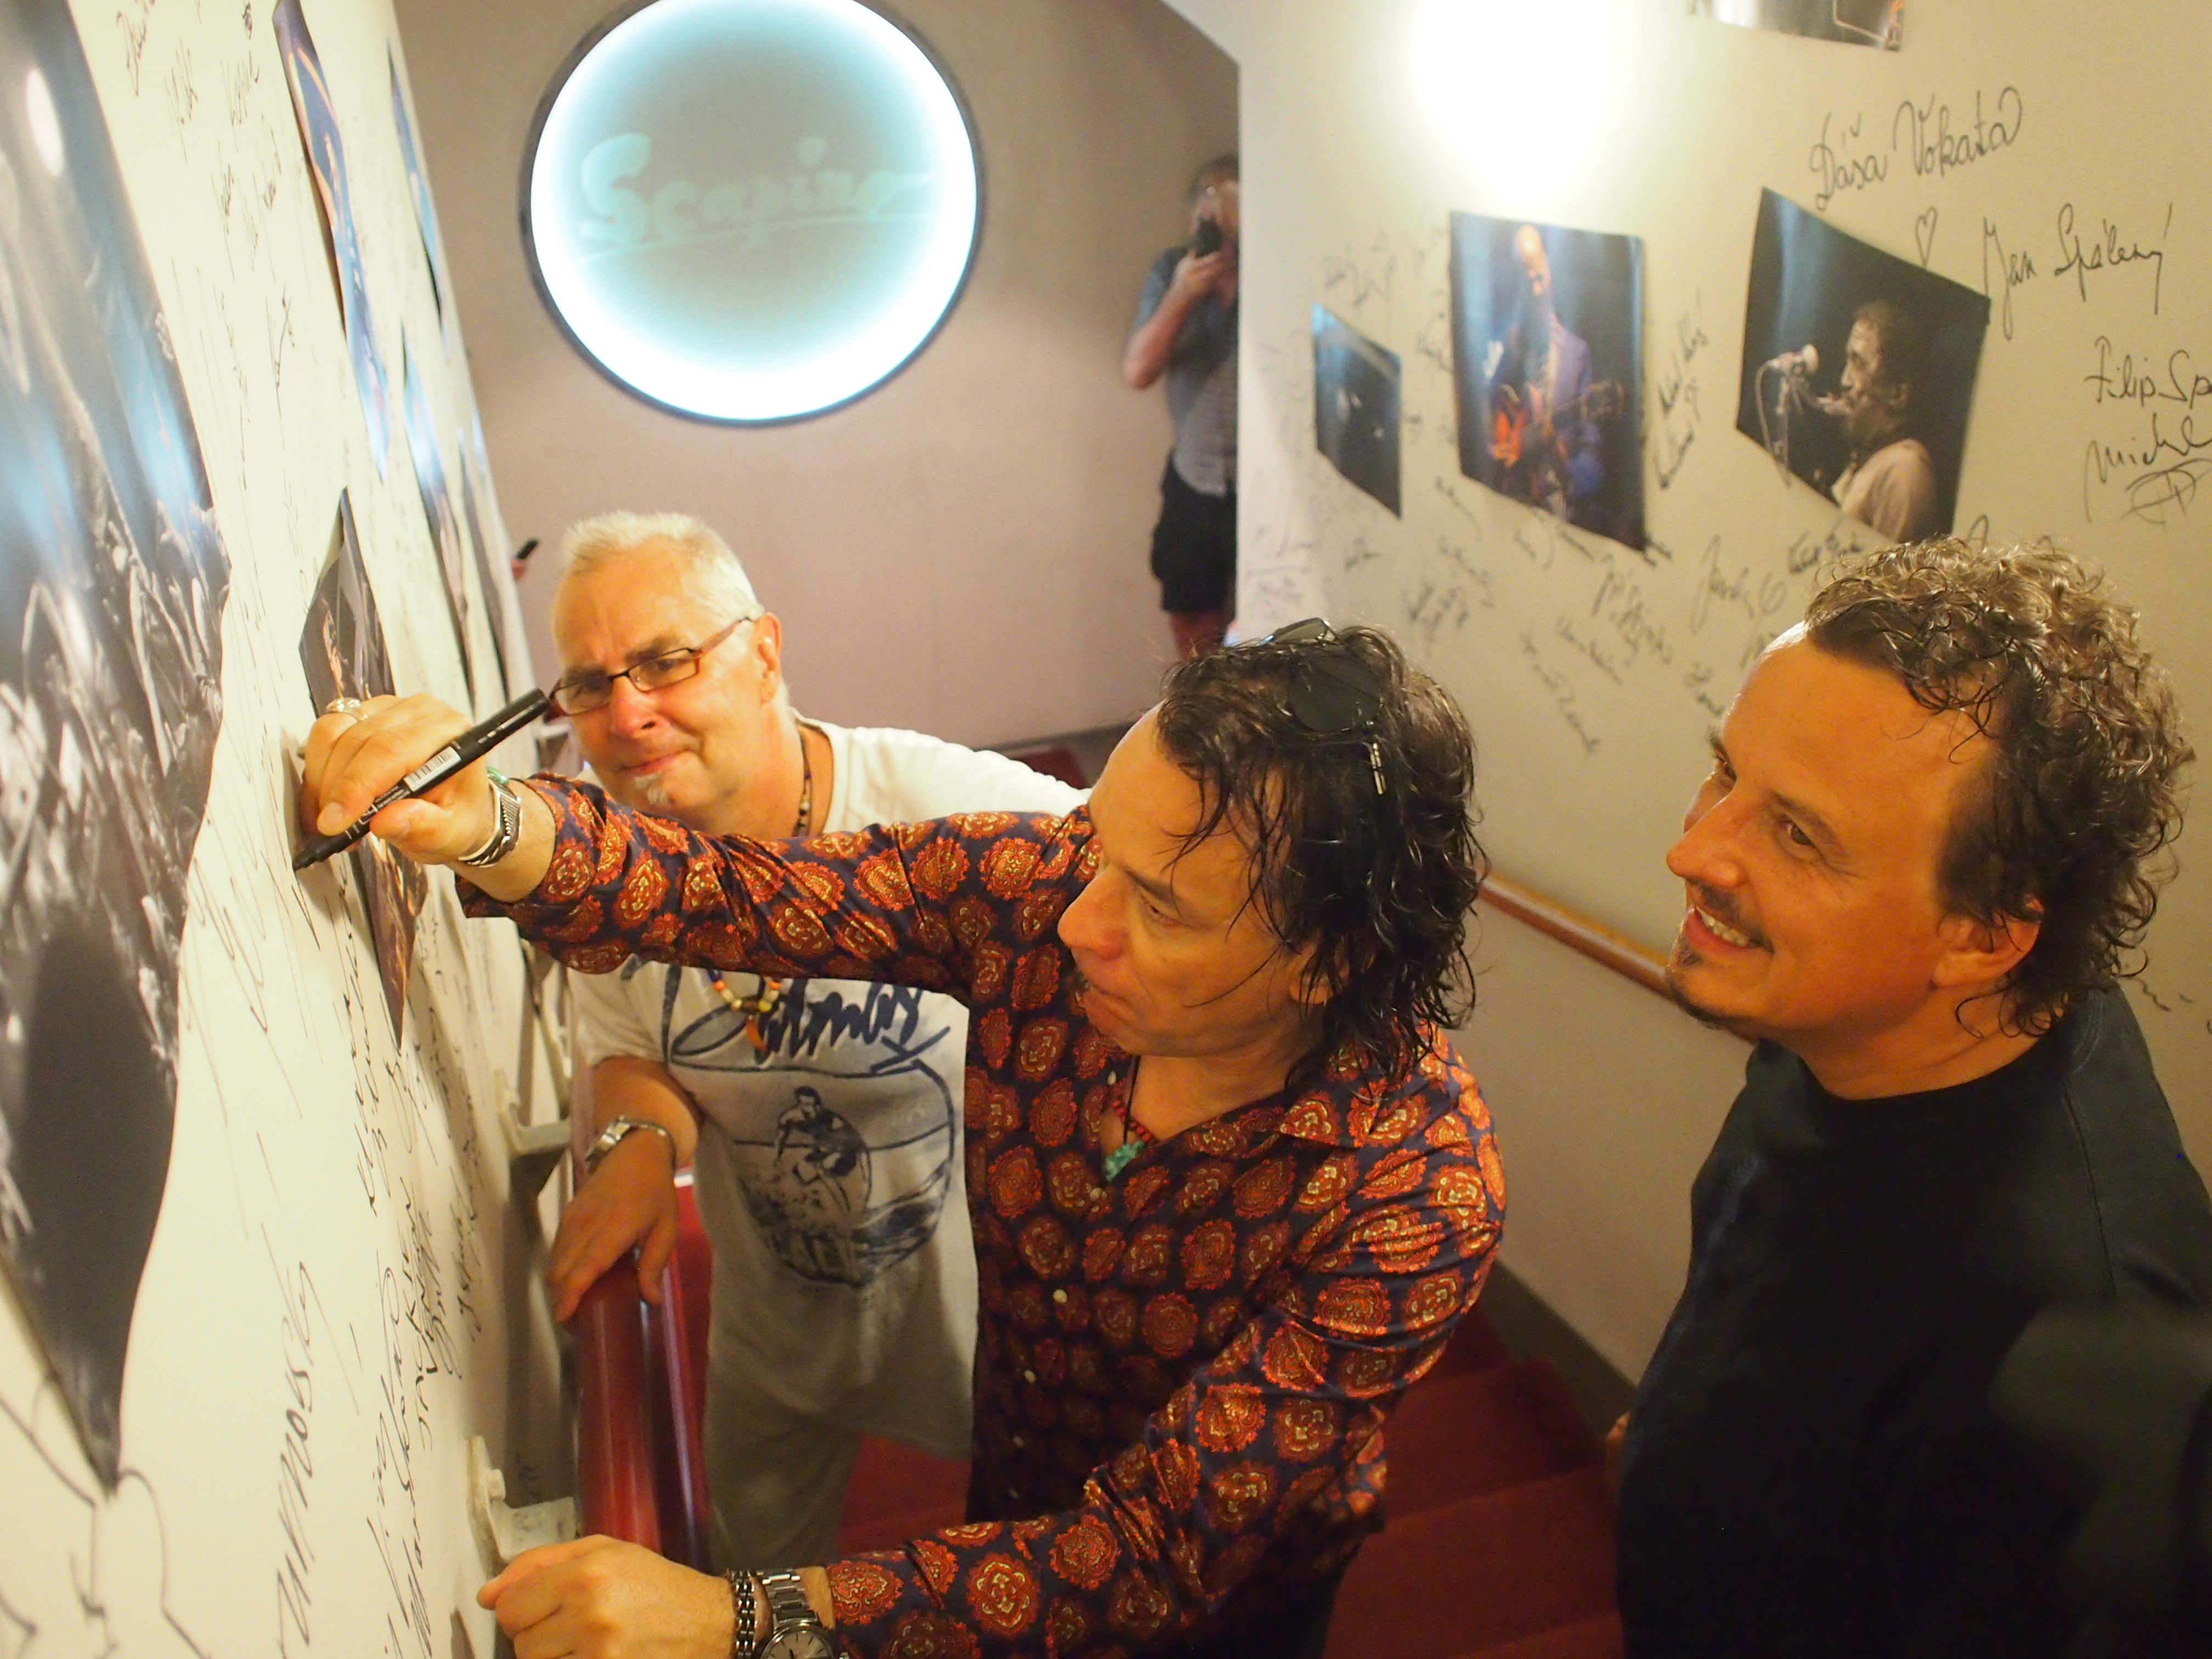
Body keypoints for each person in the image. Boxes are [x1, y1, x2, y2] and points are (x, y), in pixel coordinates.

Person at [301, 619, 1501, 1659]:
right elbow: (738, 895)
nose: (1077, 919)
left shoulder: (1415, 1186)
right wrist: (490, 822)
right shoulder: (1045, 884)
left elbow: (1148, 1552)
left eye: (1159, 906)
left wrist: (734, 1619)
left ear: (1327, 960)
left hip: (1227, 1603)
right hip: (1014, 1467)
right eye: (1100, 845)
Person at [1615, 539, 2212, 1656]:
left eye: (1797, 833)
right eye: (1725, 772)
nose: (1692, 849)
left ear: (1983, 938)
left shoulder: (2079, 1335)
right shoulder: (1853, 1010)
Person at [534, 512, 1084, 1573]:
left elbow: (1140, 874)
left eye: (665, 661)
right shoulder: (606, 858)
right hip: (777, 1327)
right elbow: (630, 1041)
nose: (629, 711)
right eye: (591, 684)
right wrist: (636, 1140)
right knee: (749, 1593)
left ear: (763, 653)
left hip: (998, 1329)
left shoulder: (932, 807)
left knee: (1043, 1579)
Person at [1125, 156, 1240, 661]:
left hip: (1266, 488)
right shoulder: (1172, 271)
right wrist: (1182, 295)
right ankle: (1201, 705)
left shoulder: (1275, 274)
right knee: (1193, 625)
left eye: (1228, 208)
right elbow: (1138, 371)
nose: (1213, 221)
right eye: (1205, 207)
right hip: (1195, 481)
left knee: (1272, 618)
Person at [1486, 226, 1602, 521]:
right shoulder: (1510, 347)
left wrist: (1566, 467)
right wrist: (1493, 447)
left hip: (1557, 510)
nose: (1536, 292)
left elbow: (1593, 460)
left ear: (1550, 272)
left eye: (1538, 278)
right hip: (1510, 504)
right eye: (1526, 282)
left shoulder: (1577, 354)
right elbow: (1490, 407)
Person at [1827, 300, 1940, 543]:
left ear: (1897, 394)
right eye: (1848, 361)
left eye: (1859, 364)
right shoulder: (1871, 455)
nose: (1844, 381)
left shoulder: (1904, 471)